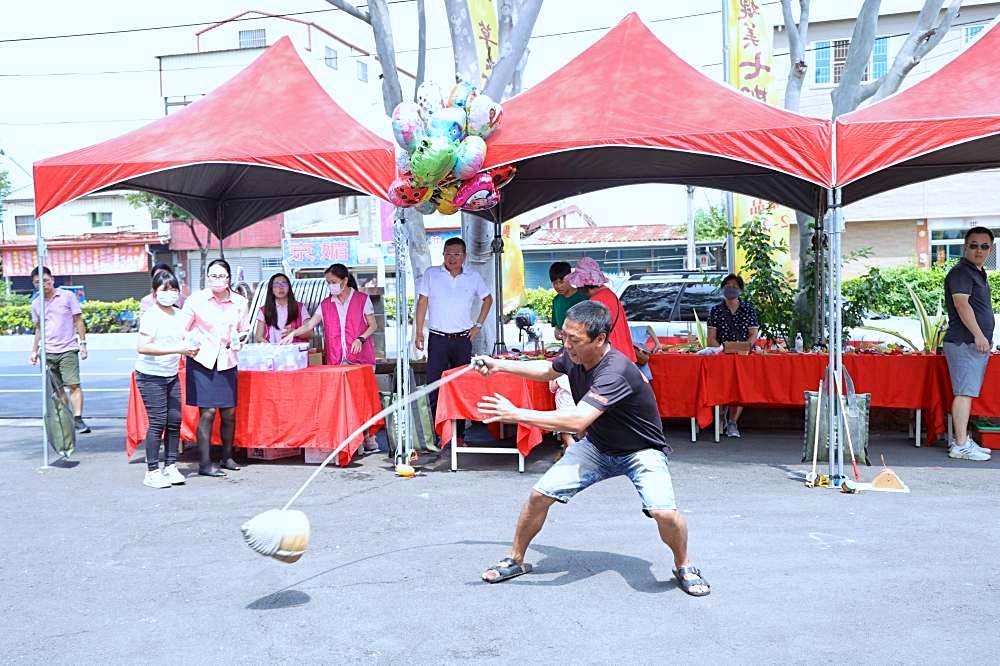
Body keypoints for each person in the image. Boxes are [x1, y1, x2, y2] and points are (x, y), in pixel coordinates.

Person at [474, 301, 710, 597]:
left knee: (664, 513)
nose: (567, 346)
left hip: (641, 451)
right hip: (598, 446)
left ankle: (684, 565)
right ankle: (516, 560)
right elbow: (550, 369)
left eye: (574, 340)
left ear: (600, 339)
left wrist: (517, 414)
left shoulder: (615, 371)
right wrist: (500, 365)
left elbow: (577, 420)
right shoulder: (574, 354)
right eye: (565, 337)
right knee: (538, 496)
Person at [283, 264, 378, 452]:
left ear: (344, 280)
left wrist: (361, 338)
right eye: (328, 283)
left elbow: (373, 325)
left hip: (362, 360)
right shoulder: (326, 304)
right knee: (341, 402)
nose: (331, 286)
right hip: (336, 360)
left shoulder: (362, 300)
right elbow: (310, 324)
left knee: (363, 400)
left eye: (333, 282)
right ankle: (347, 439)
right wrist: (292, 333)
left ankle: (369, 436)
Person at [414, 238, 493, 446]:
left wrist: (478, 326)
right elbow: (422, 302)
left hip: (463, 339)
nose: (452, 258)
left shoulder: (473, 277)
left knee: (460, 387)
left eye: (457, 254)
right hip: (438, 338)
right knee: (434, 386)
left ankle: (459, 436)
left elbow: (488, 299)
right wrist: (418, 332)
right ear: (443, 254)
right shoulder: (432, 274)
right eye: (448, 253)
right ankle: (437, 435)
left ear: (464, 256)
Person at [181, 258, 248, 477]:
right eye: (213, 275)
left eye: (221, 276)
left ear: (229, 278)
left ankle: (227, 456)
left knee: (229, 412)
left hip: (228, 359)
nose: (217, 279)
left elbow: (244, 330)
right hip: (202, 360)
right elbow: (182, 328)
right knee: (207, 412)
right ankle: (205, 462)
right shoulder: (195, 301)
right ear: (207, 277)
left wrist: (241, 340)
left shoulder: (240, 302)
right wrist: (190, 343)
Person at [135, 271, 199, 489]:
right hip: (150, 376)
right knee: (157, 422)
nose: (170, 294)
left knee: (174, 420)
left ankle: (170, 466)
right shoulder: (151, 316)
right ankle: (152, 470)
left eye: (173, 290)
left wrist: (191, 347)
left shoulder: (179, 315)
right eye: (165, 290)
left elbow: (187, 338)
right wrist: (178, 349)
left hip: (170, 374)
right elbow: (143, 347)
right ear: (155, 293)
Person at [943, 227, 996, 462]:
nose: (979, 250)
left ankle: (963, 439)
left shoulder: (977, 272)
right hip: (964, 342)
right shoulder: (961, 273)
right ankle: (961, 445)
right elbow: (962, 305)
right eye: (974, 245)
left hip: (971, 344)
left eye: (984, 246)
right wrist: (979, 335)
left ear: (991, 249)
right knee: (964, 393)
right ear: (965, 246)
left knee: (967, 392)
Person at [29, 266, 90, 434]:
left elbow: (78, 321)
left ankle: (78, 418)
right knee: (58, 389)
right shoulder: (36, 303)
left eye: (46, 281)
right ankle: (66, 420)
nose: (43, 284)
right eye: (38, 282)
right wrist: (34, 351)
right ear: (34, 285)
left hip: (68, 348)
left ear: (52, 280)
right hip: (48, 352)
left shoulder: (67, 297)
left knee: (73, 384)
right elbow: (39, 329)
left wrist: (83, 343)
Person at [706, 274, 760, 439]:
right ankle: (720, 418)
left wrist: (746, 348)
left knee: (739, 388)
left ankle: (732, 422)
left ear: (741, 290)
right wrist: (722, 350)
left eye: (735, 286)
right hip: (722, 356)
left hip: (743, 356)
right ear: (723, 289)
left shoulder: (748, 309)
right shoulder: (715, 310)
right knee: (722, 388)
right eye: (727, 286)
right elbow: (711, 338)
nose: (731, 289)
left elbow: (753, 334)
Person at [564, 257, 636, 362]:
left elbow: (587, 335)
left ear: (584, 283)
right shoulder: (610, 295)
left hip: (611, 360)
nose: (577, 288)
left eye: (578, 283)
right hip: (623, 357)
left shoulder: (596, 302)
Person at [256, 273, 311, 344]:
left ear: (289, 288)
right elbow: (258, 337)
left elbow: (310, 334)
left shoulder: (300, 307)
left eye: (284, 284)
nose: (280, 287)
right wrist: (269, 346)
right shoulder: (264, 310)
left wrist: (295, 332)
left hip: (295, 353)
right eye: (276, 285)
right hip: (273, 353)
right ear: (271, 290)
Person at [549, 261, 588, 341]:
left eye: (561, 282)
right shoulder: (556, 301)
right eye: (555, 283)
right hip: (566, 348)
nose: (558, 286)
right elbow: (557, 327)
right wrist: (557, 332)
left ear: (570, 278)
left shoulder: (584, 299)